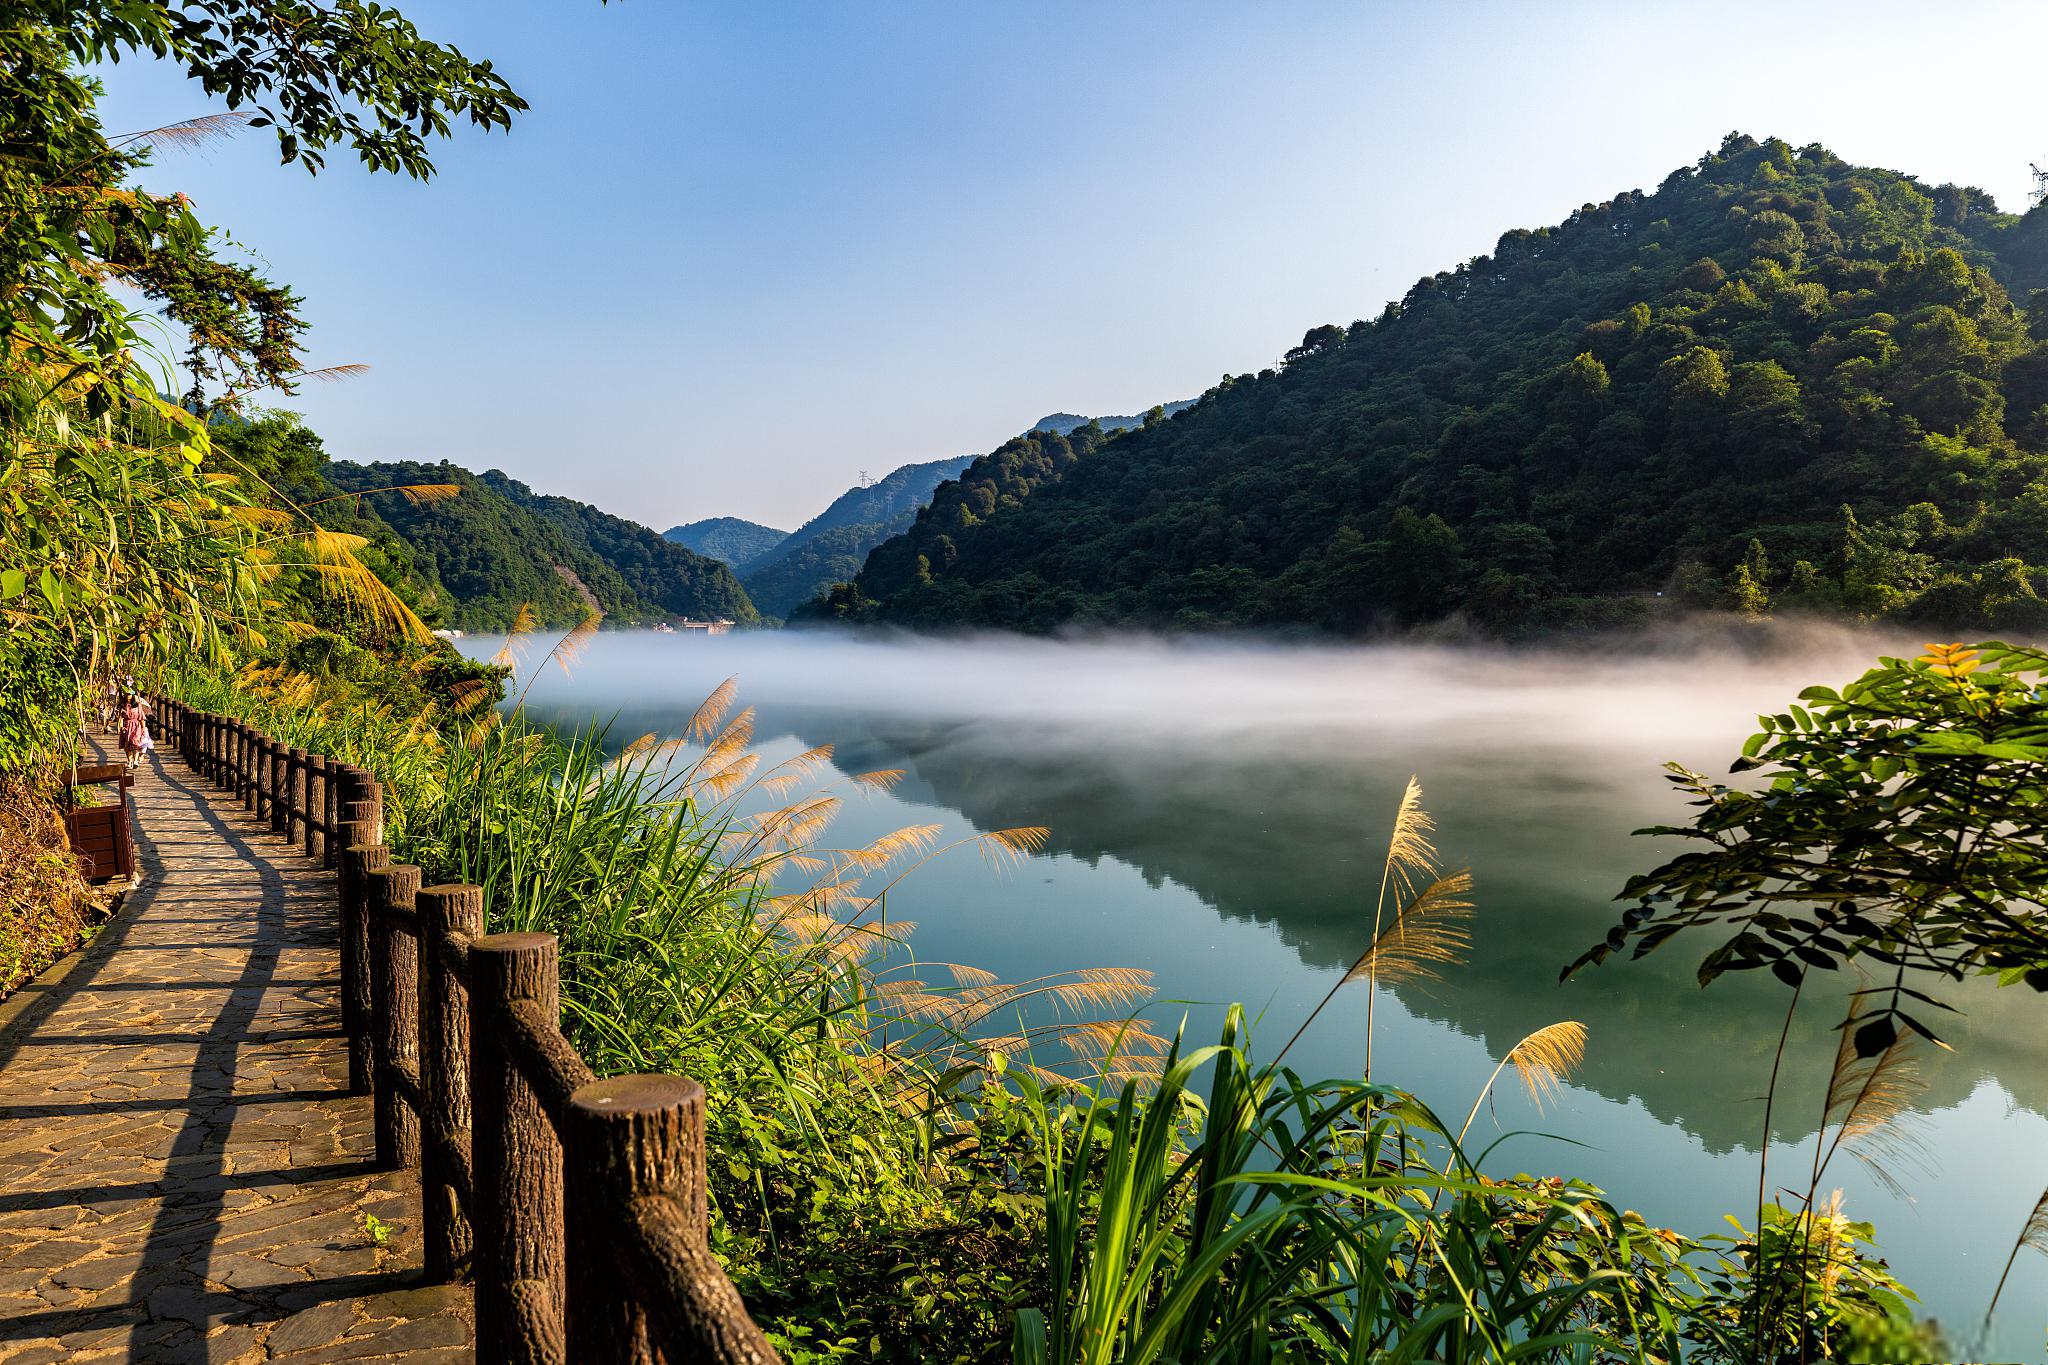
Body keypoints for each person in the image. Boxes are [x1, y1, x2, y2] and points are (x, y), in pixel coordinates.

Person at [118, 693, 153, 773]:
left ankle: (136, 760)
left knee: (135, 742)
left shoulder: (137, 705)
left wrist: (143, 728)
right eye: (126, 694)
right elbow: (120, 717)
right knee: (127, 743)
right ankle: (130, 760)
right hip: (126, 725)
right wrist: (120, 726)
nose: (128, 696)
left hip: (136, 725)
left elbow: (141, 717)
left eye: (129, 694)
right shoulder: (122, 705)